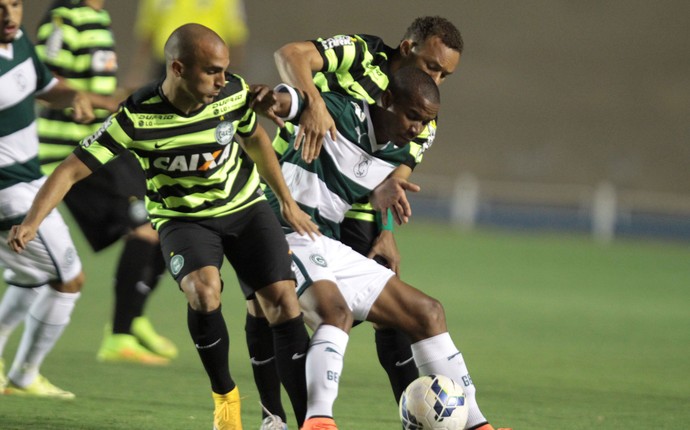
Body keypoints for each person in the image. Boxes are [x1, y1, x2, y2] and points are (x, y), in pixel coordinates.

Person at [8, 23, 319, 430]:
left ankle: (310, 422)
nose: (223, 79)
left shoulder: (231, 94)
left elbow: (256, 140)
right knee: (204, 293)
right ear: (177, 68)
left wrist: (286, 202)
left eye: (224, 70)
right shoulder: (136, 117)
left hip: (244, 207)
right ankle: (225, 399)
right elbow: (69, 170)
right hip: (183, 219)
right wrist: (33, 221)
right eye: (212, 71)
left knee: (283, 302)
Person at [252, 67, 509, 430]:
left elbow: (367, 177)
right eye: (413, 116)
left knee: (428, 312)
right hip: (280, 230)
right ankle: (318, 422)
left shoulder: (398, 148)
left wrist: (381, 191)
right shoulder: (342, 113)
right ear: (387, 101)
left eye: (426, 121)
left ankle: (477, 425)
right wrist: (271, 100)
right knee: (335, 312)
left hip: (321, 240)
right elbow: (292, 101)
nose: (417, 128)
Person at [34, 0, 177, 366]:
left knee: (165, 216)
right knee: (144, 228)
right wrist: (108, 101)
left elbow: (91, 81)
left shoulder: (98, 16)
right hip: (73, 151)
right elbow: (42, 79)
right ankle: (119, 334)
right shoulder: (65, 17)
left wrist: (125, 95)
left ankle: (135, 318)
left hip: (105, 142)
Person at [0, 0, 107, 399]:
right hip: (8, 191)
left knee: (29, 276)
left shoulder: (18, 41)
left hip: (30, 180)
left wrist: (76, 94)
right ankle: (25, 377)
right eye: (0, 7)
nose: (9, 15)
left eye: (14, 4)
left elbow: (48, 90)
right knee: (68, 279)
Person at [124, 0, 249, 89]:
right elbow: (147, 31)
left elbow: (236, 32)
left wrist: (234, 75)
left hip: (208, 65)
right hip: (167, 65)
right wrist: (137, 71)